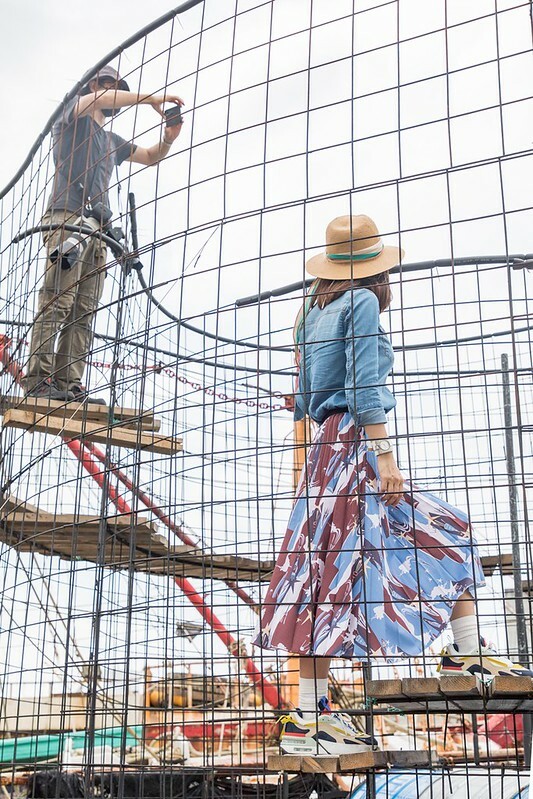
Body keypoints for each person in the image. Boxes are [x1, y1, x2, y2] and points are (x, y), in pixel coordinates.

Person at [255, 214, 533, 756]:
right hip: (358, 444)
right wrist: (384, 457)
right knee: (444, 530)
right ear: (374, 268)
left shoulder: (309, 313)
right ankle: (459, 654)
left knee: (323, 571)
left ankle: (311, 716)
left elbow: (307, 400)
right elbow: (364, 389)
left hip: (325, 450)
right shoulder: (359, 302)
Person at [25, 64, 184, 403]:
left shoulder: (112, 141)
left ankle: (69, 384)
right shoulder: (72, 115)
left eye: (114, 85)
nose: (110, 90)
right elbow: (96, 101)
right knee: (57, 300)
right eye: (105, 83)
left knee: (84, 310)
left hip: (98, 231)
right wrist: (150, 98)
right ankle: (38, 381)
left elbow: (150, 156)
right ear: (91, 86)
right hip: (67, 219)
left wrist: (168, 139)